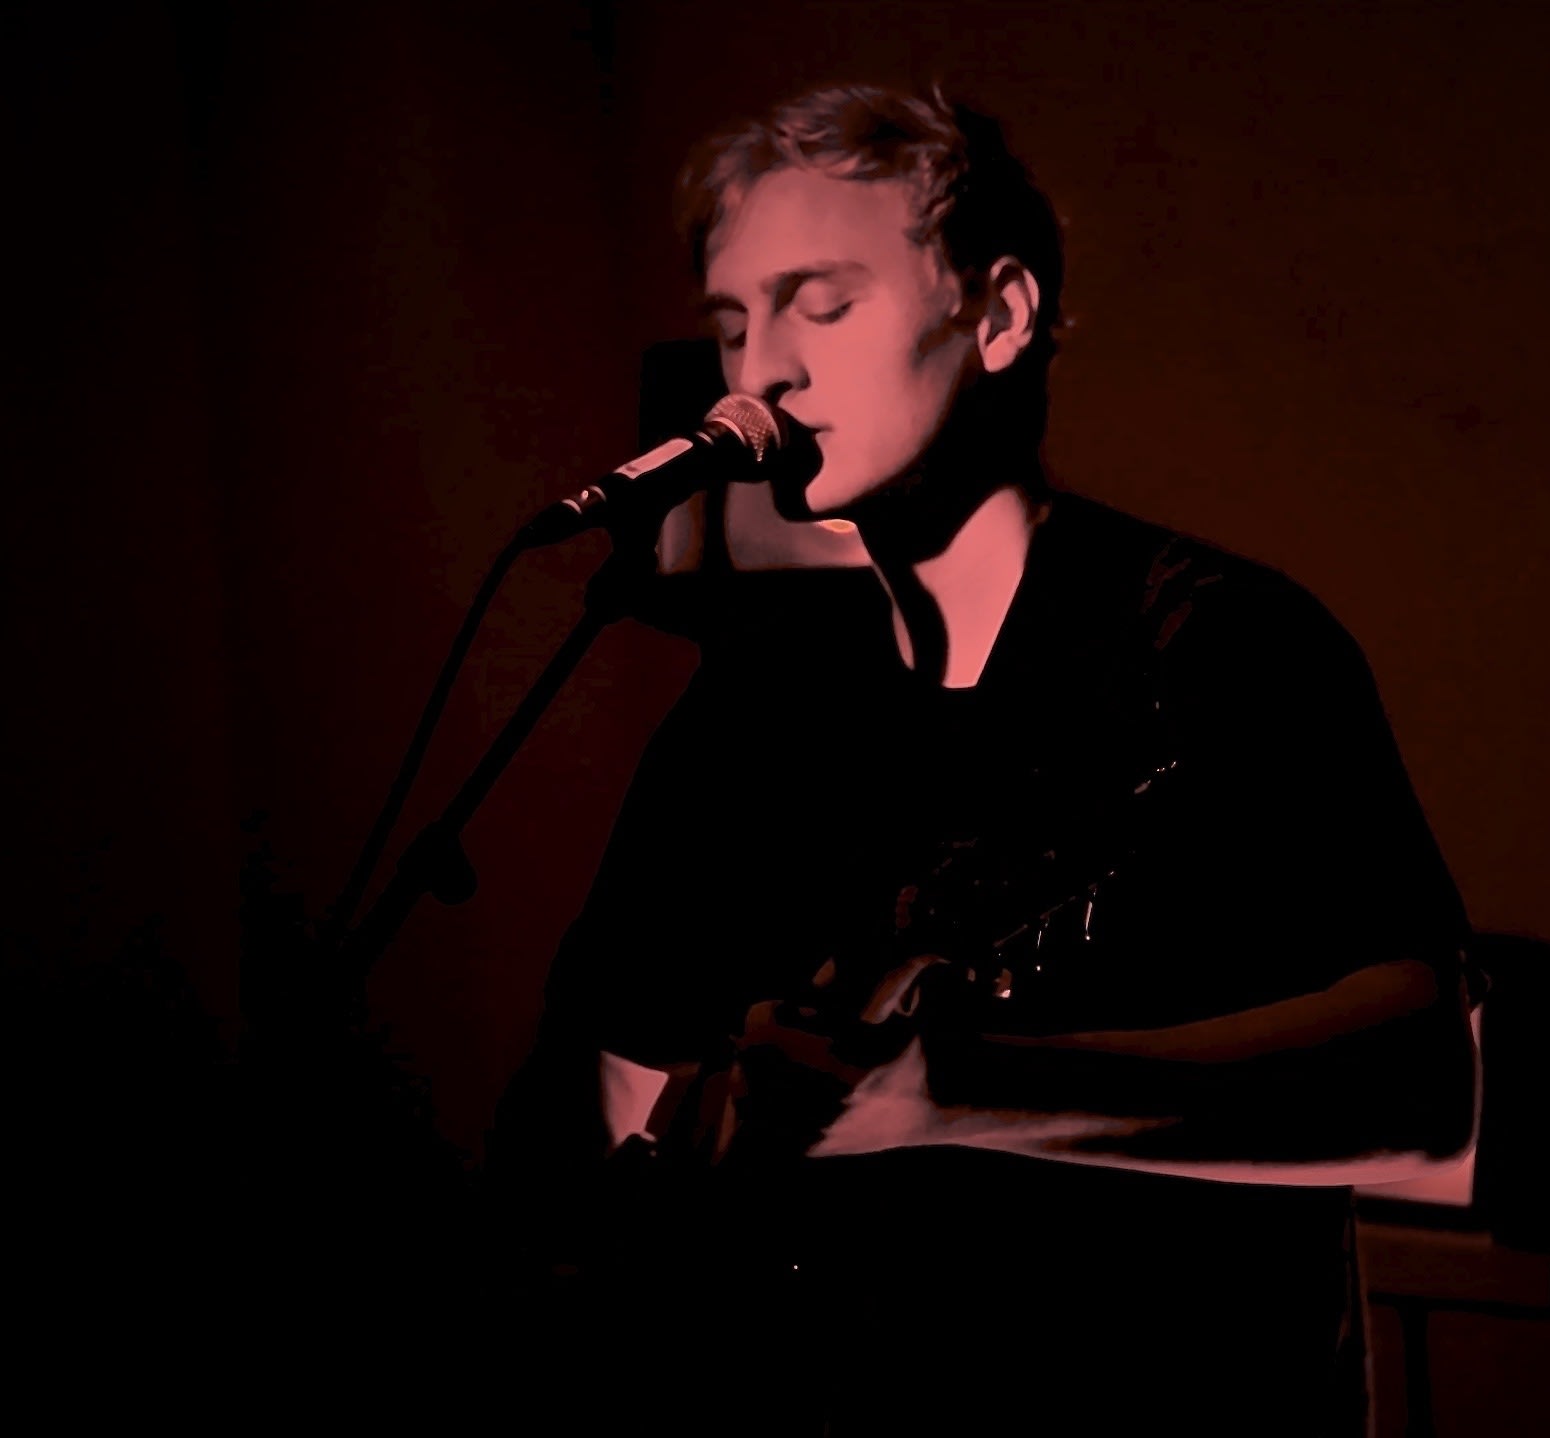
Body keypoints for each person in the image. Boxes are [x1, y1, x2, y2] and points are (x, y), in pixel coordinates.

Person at [494, 83, 1479, 1437]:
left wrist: (951, 1095)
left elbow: (1421, 1087)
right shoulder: (759, 697)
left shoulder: (1218, 643)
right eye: (732, 325)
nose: (759, 374)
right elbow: (605, 1058)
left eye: (820, 305)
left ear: (1000, 314)